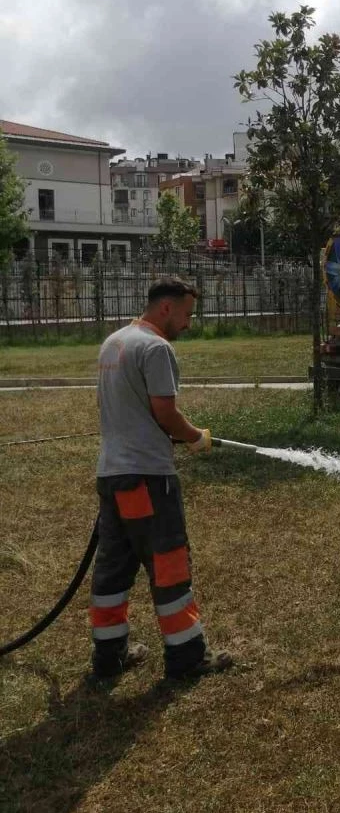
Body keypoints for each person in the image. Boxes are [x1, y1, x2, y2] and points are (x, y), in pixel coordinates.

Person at [90, 275, 233, 680]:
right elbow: (165, 414)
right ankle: (187, 658)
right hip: (148, 478)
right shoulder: (155, 347)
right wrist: (195, 438)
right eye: (187, 314)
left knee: (113, 567)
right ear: (166, 308)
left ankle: (108, 658)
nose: (189, 323)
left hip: (112, 475)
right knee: (168, 564)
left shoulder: (113, 342)